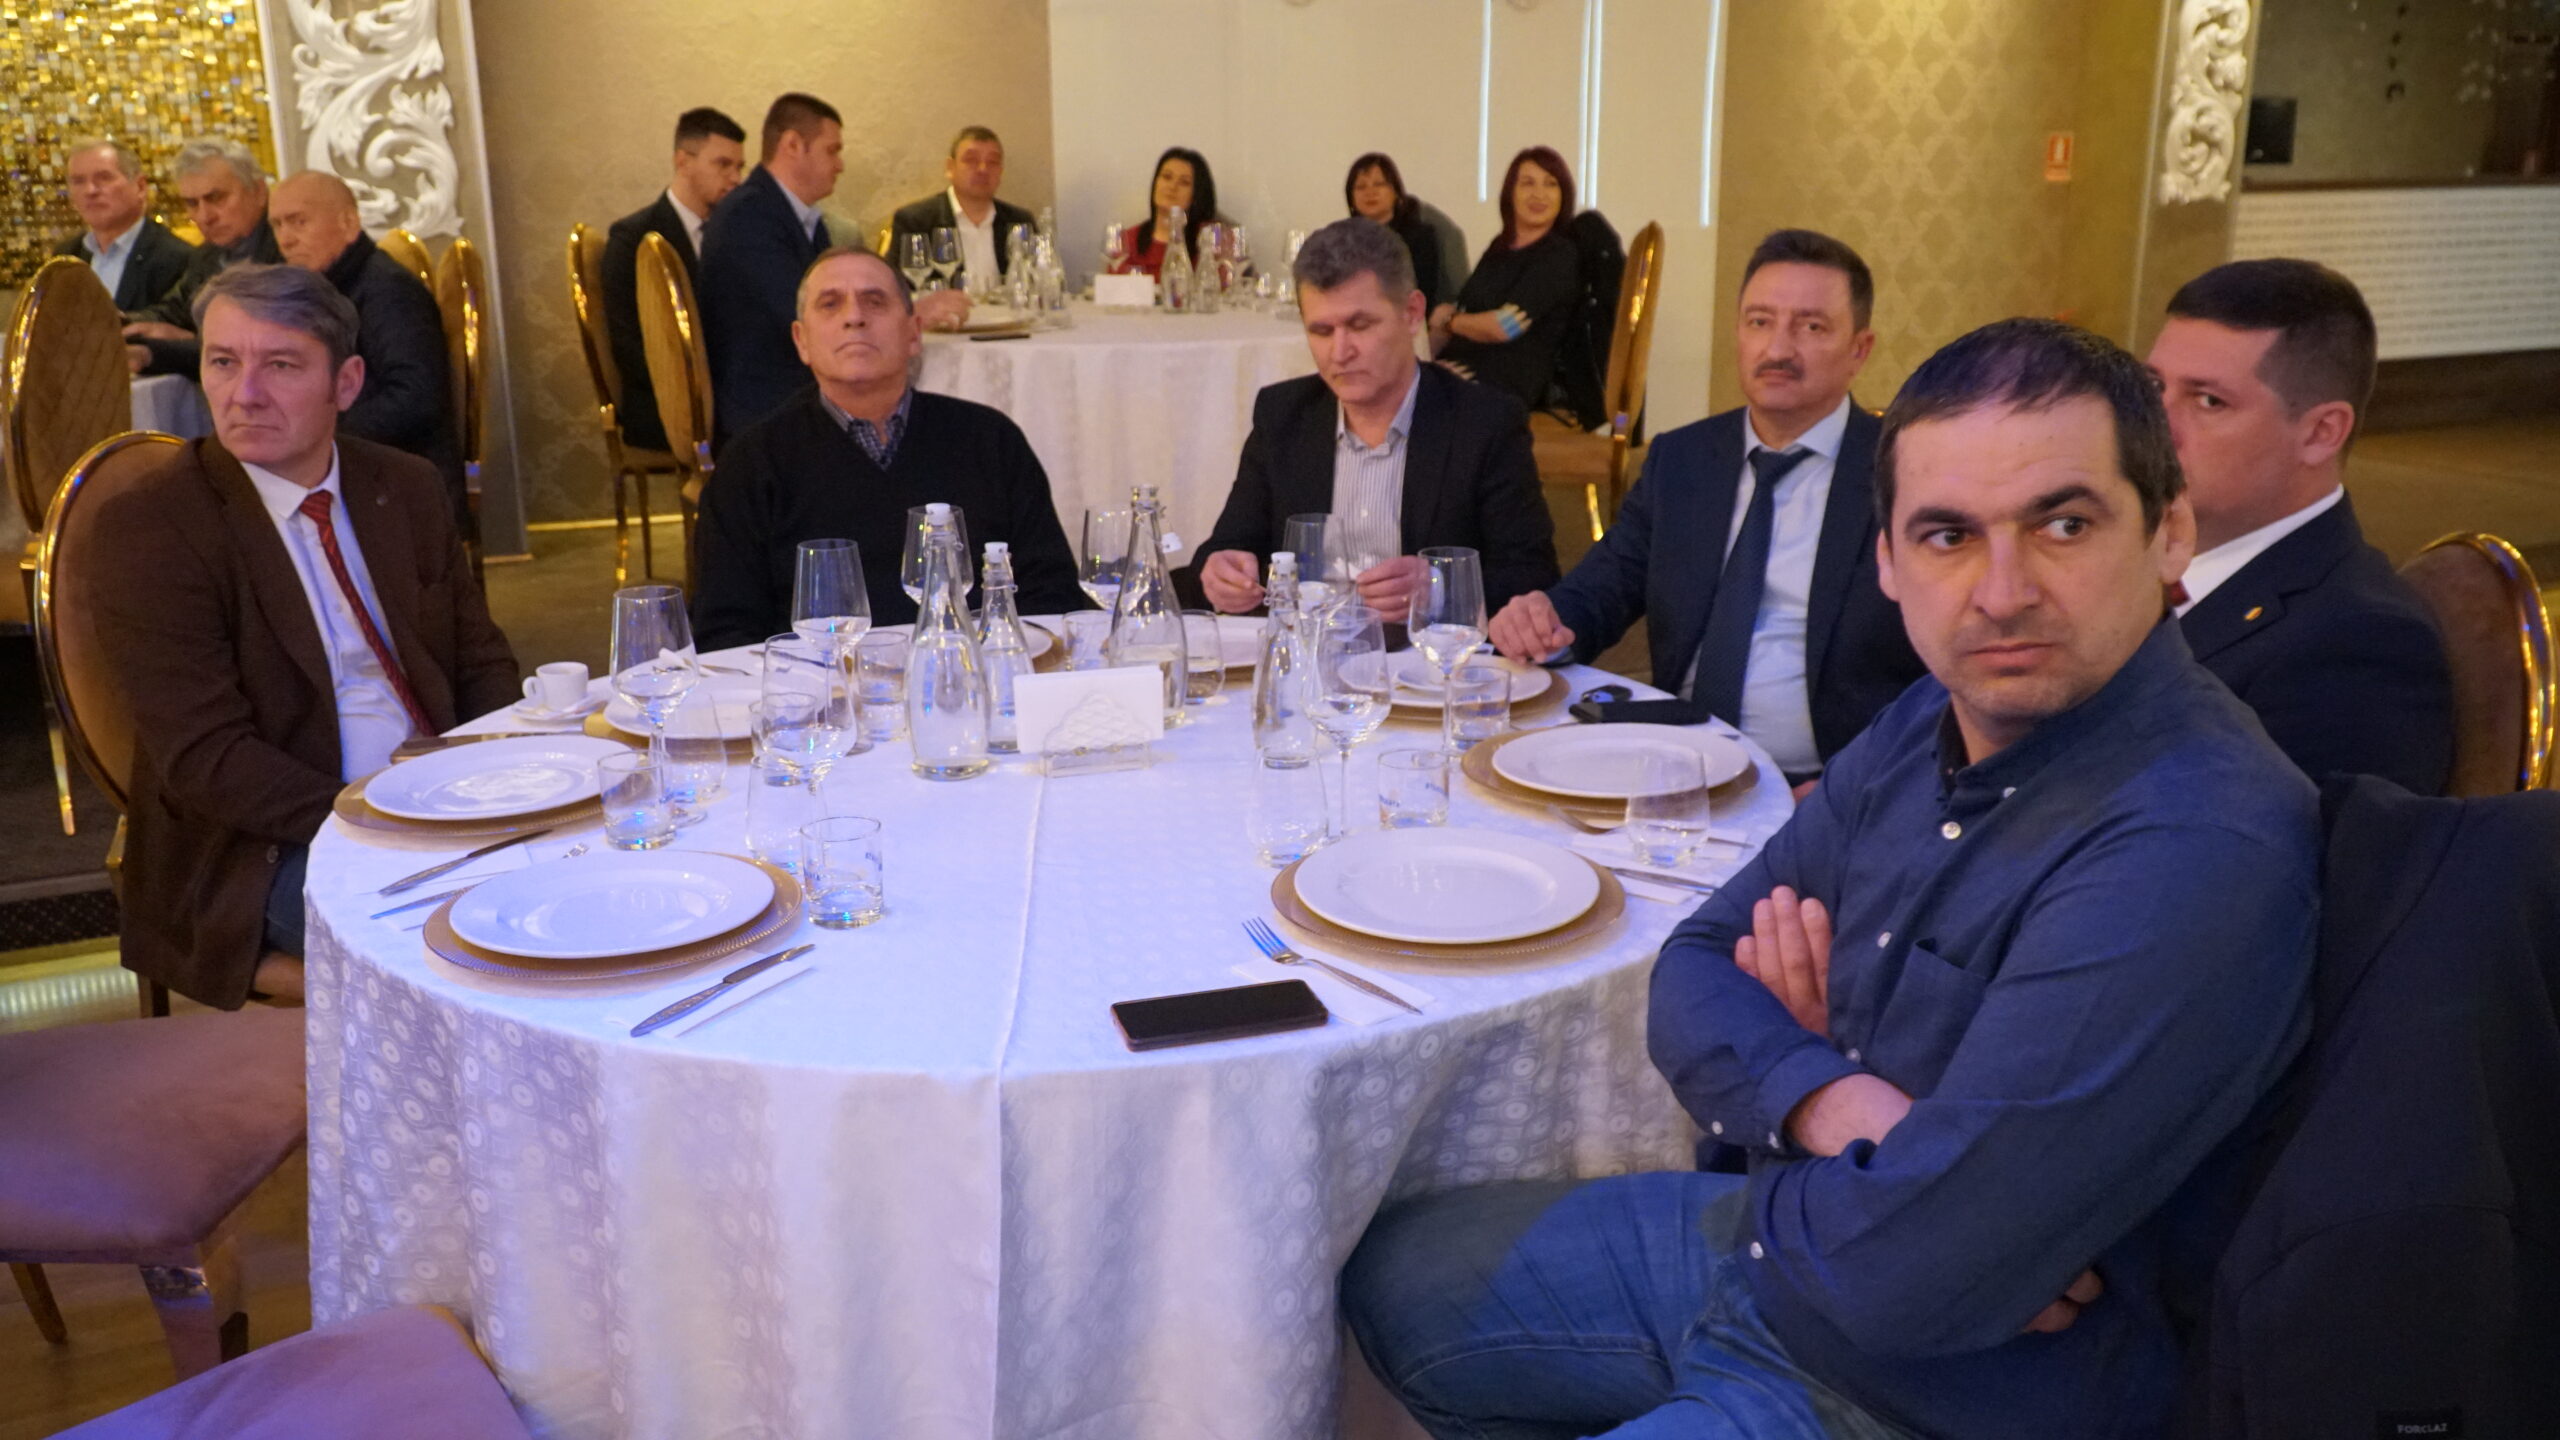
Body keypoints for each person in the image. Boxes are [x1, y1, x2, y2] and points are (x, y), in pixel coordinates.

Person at [1343, 317, 2320, 1440]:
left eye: (2063, 523)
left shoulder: (2192, 841)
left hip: (1930, 1394)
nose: (2003, 591)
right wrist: (1833, 1106)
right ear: (1890, 562)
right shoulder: (1932, 715)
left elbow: (1915, 1275)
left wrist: (1814, 1129)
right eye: (1947, 535)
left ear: (2168, 532)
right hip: (1774, 1258)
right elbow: (1693, 968)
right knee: (1390, 1276)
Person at [84, 264, 517, 1010]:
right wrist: (384, 820)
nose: (244, 393)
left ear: (346, 384)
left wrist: (508, 779)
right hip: (266, 844)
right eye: (223, 361)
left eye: (280, 366)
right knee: (482, 936)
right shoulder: (154, 526)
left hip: (440, 805)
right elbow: (209, 759)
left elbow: (480, 661)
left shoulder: (404, 486)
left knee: (604, 877)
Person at [1489, 229, 1924, 785]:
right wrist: (1542, 620)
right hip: (1678, 764)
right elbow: (1602, 587)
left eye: (1811, 327)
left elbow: (1950, 672)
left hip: (1828, 784)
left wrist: (1854, 788)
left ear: (1859, 350)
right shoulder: (1682, 459)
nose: (1778, 350)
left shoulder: (1906, 474)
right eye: (1759, 322)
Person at [2148, 257, 2454, 795]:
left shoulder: (2358, 644)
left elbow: (2289, 846)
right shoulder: (2126, 556)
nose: (2154, 426)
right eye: (2154, 388)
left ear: (2320, 433)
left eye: (2208, 401)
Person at [690, 248, 1084, 647]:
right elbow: (724, 633)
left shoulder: (991, 440)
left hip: (973, 676)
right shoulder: (752, 464)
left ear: (913, 333)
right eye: (830, 304)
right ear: (801, 340)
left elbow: (1052, 598)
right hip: (817, 682)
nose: (854, 317)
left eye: (875, 301)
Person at [1190, 218, 1557, 620]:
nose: (1340, 352)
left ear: (1412, 314)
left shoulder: (1484, 423)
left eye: (1360, 325)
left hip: (1424, 654)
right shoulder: (1283, 415)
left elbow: (1533, 577)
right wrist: (1222, 572)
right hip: (1309, 651)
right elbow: (1229, 545)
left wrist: (1439, 589)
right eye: (1321, 331)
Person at [268, 170, 465, 525]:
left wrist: (317, 439)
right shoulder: (330, 289)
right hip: (359, 472)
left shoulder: (387, 290)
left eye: (299, 222)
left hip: (402, 489)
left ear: (348, 223)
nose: (286, 239)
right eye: (277, 225)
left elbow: (417, 398)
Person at [700, 93, 847, 446]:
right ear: (792, 145)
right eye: (832, 151)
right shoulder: (748, 216)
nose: (840, 165)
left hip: (794, 393)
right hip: (766, 409)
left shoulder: (799, 217)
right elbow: (805, 314)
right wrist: (904, 313)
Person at [603, 106, 747, 453]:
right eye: (723, 164)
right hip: (667, 406)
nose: (735, 179)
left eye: (739, 167)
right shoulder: (634, 239)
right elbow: (628, 344)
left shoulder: (734, 233)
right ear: (683, 162)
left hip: (729, 394)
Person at [1431, 146, 1583, 412]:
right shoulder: (1499, 247)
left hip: (1502, 386)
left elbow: (1505, 326)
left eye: (1550, 184)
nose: (1539, 194)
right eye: (1528, 183)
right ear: (1510, 193)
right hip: (1455, 371)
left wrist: (1450, 321)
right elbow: (1462, 310)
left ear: (1564, 195)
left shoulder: (1559, 255)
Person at [122, 136, 281, 376]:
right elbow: (174, 311)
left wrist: (188, 342)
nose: (205, 216)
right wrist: (119, 322)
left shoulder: (289, 248)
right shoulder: (207, 254)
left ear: (258, 192)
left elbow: (258, 347)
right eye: (192, 203)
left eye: (216, 198)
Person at [50, 138, 193, 313]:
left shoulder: (176, 259)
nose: (90, 190)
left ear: (140, 187)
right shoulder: (65, 257)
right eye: (78, 181)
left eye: (104, 178)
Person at [887, 125, 1037, 290]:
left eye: (992, 162)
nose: (983, 169)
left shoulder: (1019, 222)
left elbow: (1036, 282)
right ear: (950, 168)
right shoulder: (915, 221)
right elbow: (894, 288)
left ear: (1000, 171)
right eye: (971, 160)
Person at [1343, 152, 1444, 308]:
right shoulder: (1341, 238)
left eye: (1379, 184)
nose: (1370, 192)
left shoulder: (1419, 236)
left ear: (1396, 192)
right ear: (1351, 199)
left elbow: (1422, 291)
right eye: (1361, 187)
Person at [1112, 147, 1219, 277]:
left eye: (1184, 182)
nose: (1172, 186)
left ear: (1196, 194)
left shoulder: (1209, 242)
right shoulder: (1127, 241)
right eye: (1167, 177)